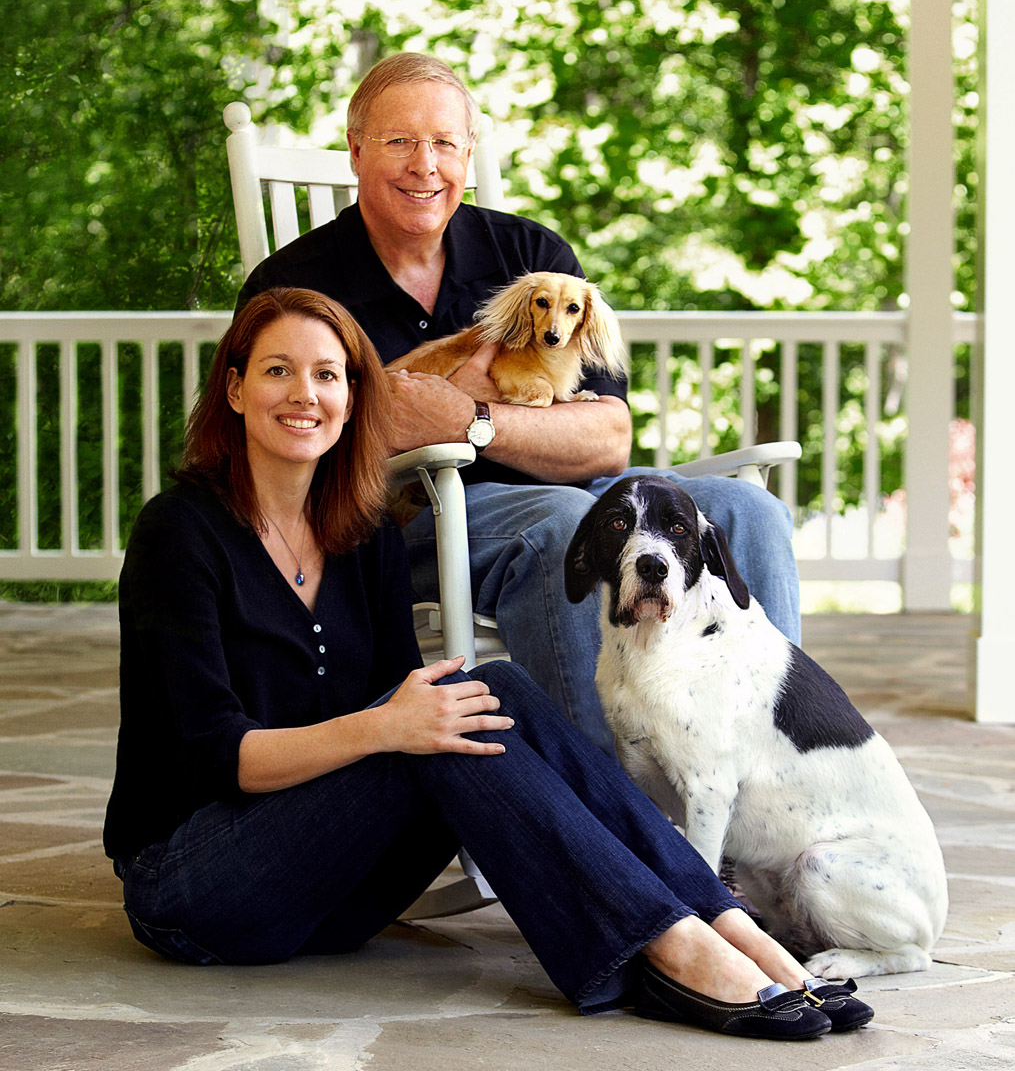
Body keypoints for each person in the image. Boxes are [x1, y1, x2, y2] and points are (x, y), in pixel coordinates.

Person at [103, 287, 871, 1038]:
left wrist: (402, 724)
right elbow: (219, 758)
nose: (305, 393)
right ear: (234, 389)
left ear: (353, 396)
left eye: (328, 374)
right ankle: (681, 950)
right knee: (432, 719)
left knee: (477, 696)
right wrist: (385, 730)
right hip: (197, 884)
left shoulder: (359, 530)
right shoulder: (181, 533)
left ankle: (725, 923)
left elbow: (413, 700)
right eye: (277, 370)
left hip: (336, 893)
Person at [236, 53, 801, 754]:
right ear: (355, 150)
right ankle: (602, 832)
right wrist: (411, 425)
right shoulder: (296, 288)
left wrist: (468, 419)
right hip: (401, 524)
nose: (425, 164)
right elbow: (276, 448)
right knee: (563, 523)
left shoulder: (531, 257)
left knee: (750, 510)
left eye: (445, 142)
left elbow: (607, 437)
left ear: (468, 154)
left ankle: (767, 780)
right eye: (399, 141)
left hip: (572, 493)